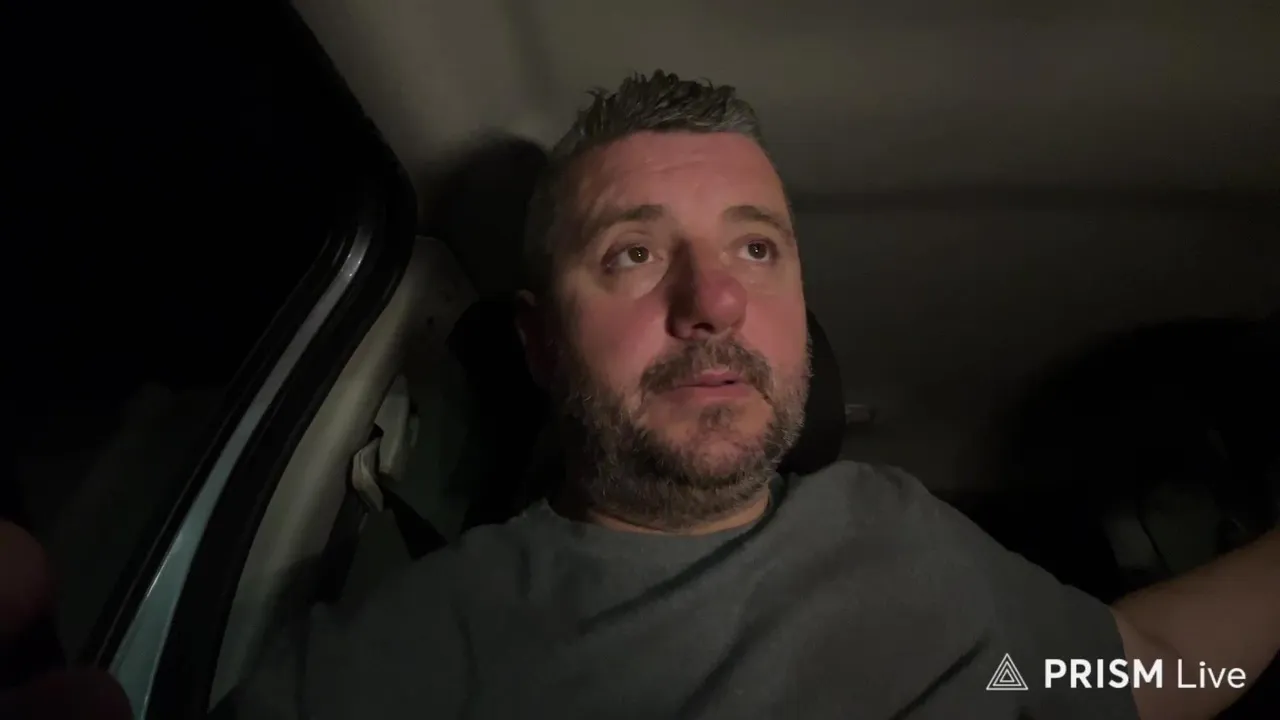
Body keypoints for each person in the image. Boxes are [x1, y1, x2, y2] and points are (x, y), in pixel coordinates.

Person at [4, 70, 1279, 719]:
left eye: (755, 247)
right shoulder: (421, 651)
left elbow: (1118, 673)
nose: (712, 301)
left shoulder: (900, 529)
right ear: (539, 344)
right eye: (629, 254)